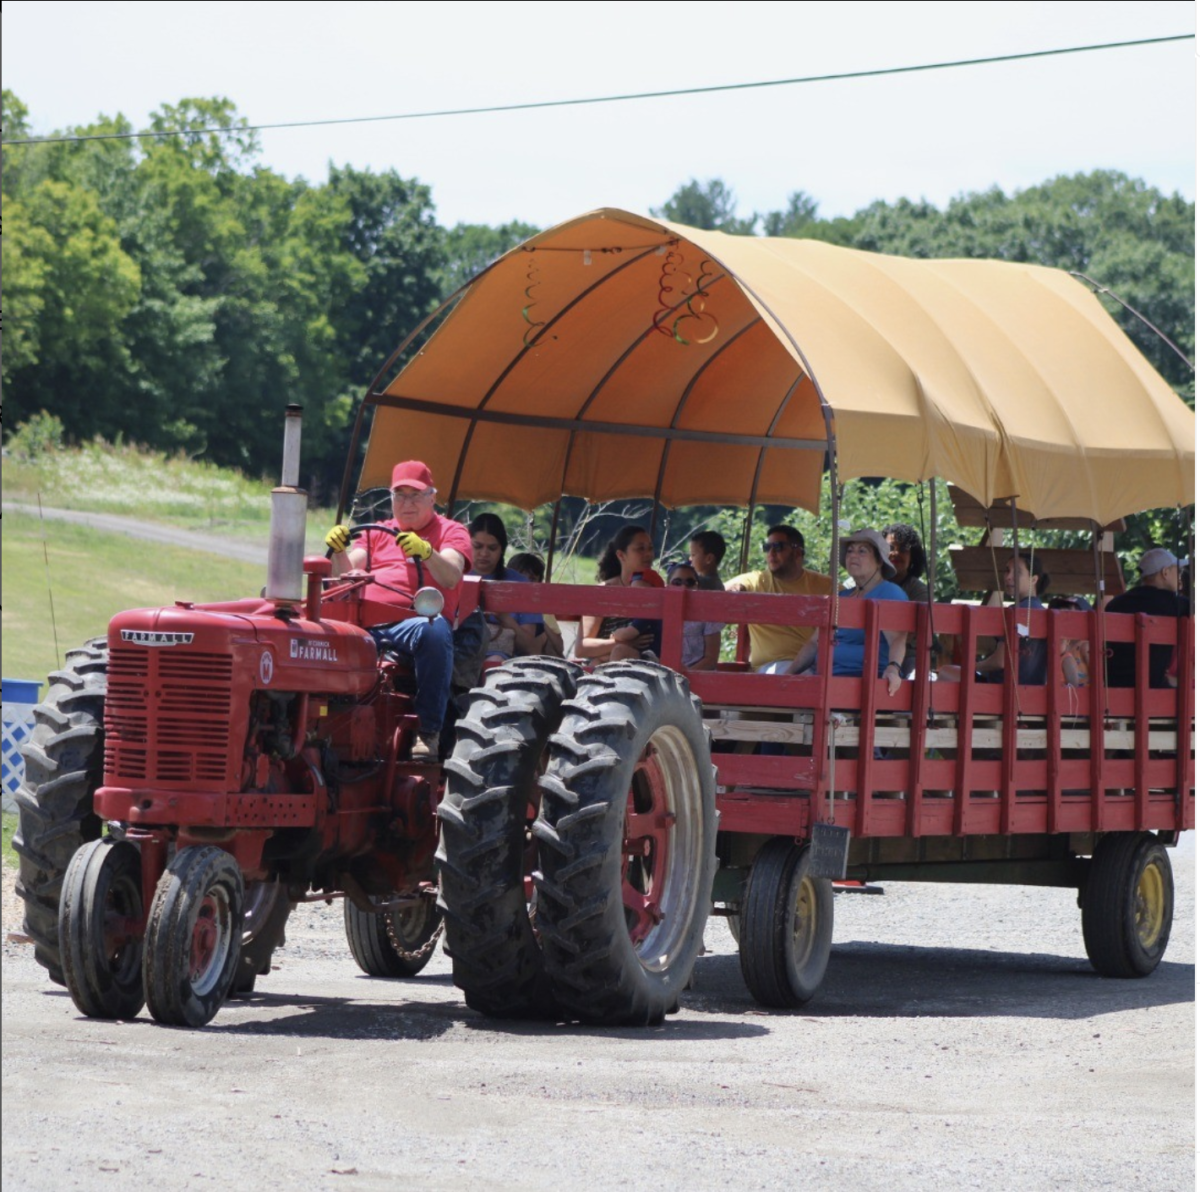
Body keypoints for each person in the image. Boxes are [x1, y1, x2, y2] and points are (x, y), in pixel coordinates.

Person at [325, 461, 471, 760]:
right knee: (316, 631)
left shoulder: (451, 532)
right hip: (364, 621)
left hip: (412, 624)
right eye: (400, 495)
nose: (407, 503)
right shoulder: (378, 531)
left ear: (432, 498)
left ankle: (428, 731)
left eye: (415, 495)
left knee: (432, 628)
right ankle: (317, 721)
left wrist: (428, 553)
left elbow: (452, 575)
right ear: (391, 499)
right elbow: (347, 574)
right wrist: (339, 550)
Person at [786, 529, 908, 695]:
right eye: (850, 551)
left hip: (861, 682)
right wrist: (787, 675)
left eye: (862, 551)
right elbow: (814, 643)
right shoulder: (841, 596)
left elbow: (898, 638)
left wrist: (893, 669)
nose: (853, 555)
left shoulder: (890, 593)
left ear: (879, 561)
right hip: (822, 676)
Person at [725, 524, 830, 673]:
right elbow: (720, 591)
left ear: (798, 553)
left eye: (778, 546)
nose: (771, 553)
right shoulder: (755, 581)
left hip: (812, 664)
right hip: (770, 667)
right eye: (767, 547)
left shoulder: (824, 585)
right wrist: (733, 591)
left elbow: (855, 598)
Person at [1105, 547, 1189, 688]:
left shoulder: (1115, 604)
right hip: (1153, 686)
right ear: (1165, 573)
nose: (1180, 577)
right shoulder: (1178, 605)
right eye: (1178, 571)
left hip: (1113, 685)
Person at [578, 525, 660, 662]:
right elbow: (582, 648)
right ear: (621, 555)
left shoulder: (657, 588)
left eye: (650, 548)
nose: (648, 554)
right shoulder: (602, 593)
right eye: (640, 548)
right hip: (603, 665)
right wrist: (624, 643)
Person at [468, 513, 540, 662]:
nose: (484, 553)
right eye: (477, 546)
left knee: (494, 660)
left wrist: (504, 618)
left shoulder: (521, 584)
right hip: (457, 650)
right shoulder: (451, 576)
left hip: (502, 659)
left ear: (502, 549)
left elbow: (531, 648)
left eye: (492, 548)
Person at [974, 553, 1049, 686]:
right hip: (1034, 689)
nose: (1008, 577)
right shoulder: (1043, 612)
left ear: (1033, 579)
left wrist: (972, 666)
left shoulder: (1016, 612)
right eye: (1007, 571)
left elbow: (1000, 661)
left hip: (1003, 689)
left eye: (1017, 572)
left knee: (947, 672)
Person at [882, 522, 932, 678]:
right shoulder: (866, 583)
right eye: (891, 548)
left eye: (903, 550)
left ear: (913, 557)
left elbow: (909, 634)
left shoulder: (918, 590)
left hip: (907, 655)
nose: (896, 553)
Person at [666, 561, 722, 669]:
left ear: (697, 586)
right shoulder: (659, 612)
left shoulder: (708, 614)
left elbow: (711, 659)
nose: (683, 587)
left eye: (690, 582)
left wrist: (684, 677)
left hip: (699, 677)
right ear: (667, 586)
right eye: (677, 582)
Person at [508, 552, 564, 657]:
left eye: (532, 579)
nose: (525, 582)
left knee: (538, 632)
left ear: (539, 583)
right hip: (507, 653)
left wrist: (539, 620)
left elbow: (559, 648)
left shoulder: (541, 607)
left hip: (536, 657)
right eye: (520, 577)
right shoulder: (503, 603)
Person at [1048, 595, 1091, 687]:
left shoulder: (1084, 646)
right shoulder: (1059, 645)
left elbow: (1098, 678)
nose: (1063, 620)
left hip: (1082, 698)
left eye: (1069, 615)